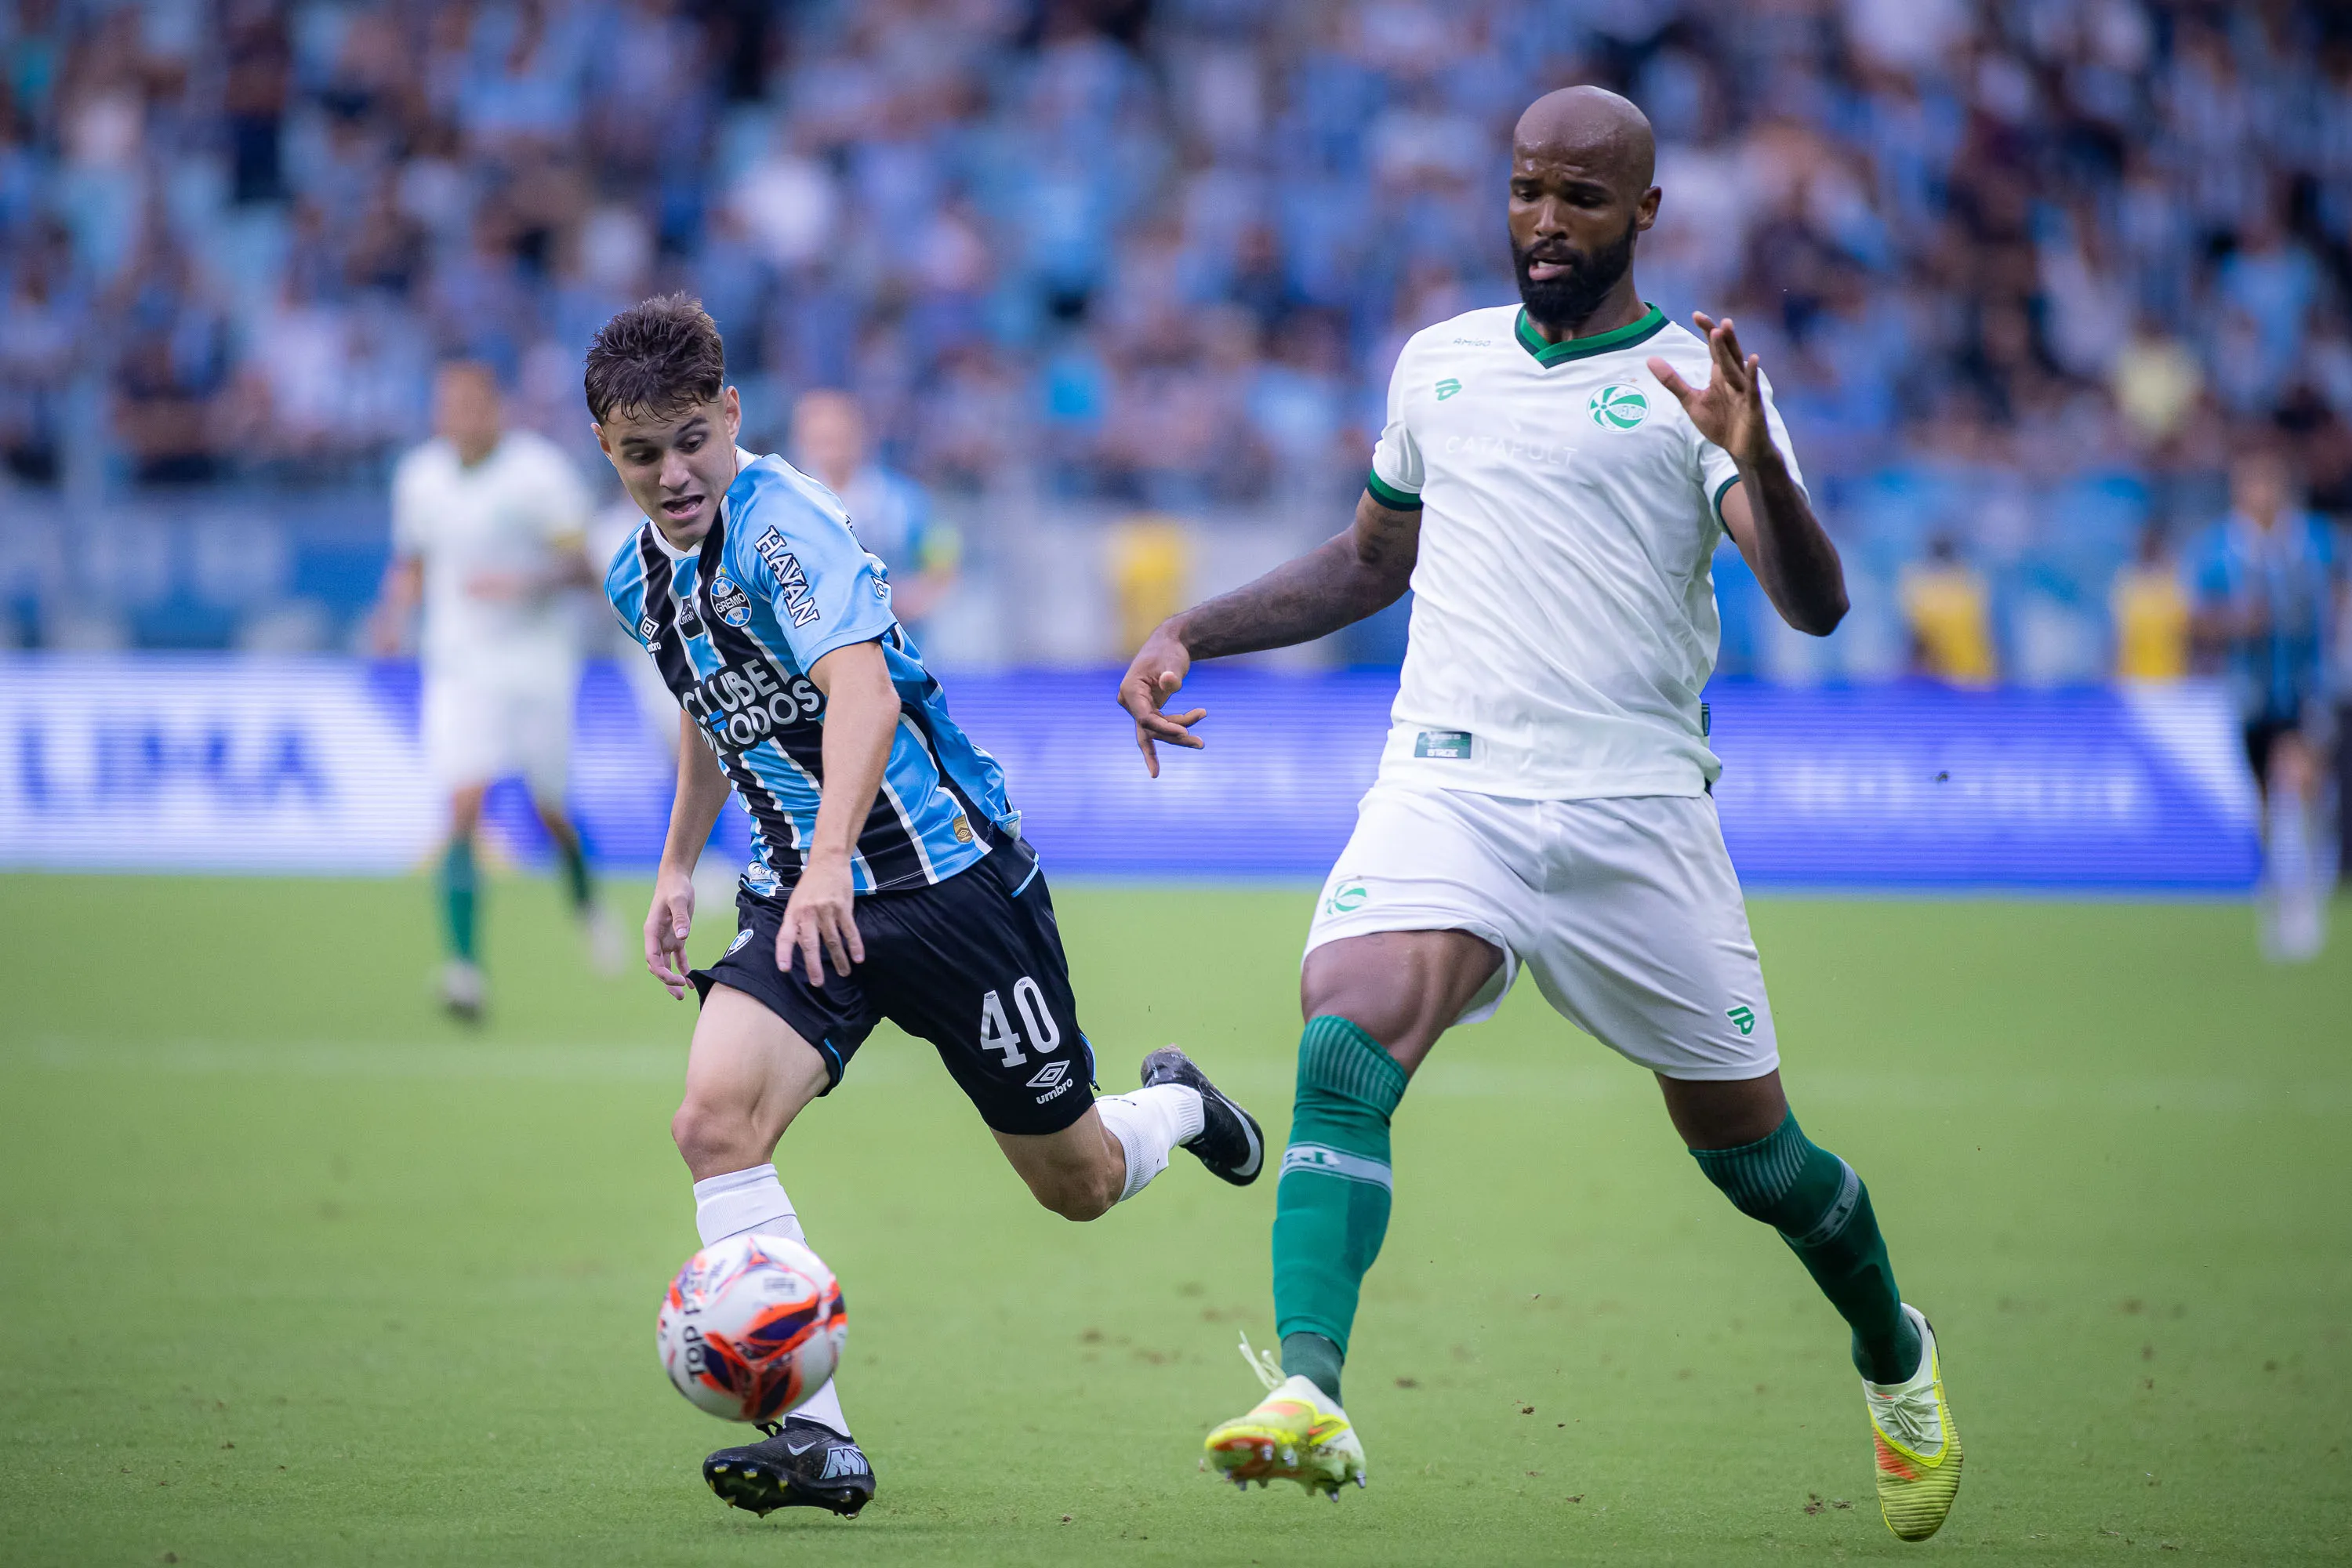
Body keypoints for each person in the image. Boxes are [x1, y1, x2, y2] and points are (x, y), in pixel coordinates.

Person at [1117, 88, 1962, 1544]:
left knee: (1760, 1164)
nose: (1545, 224)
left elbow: (1815, 607)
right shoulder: (1440, 367)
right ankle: (1308, 1394)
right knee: (1346, 1028)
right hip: (1453, 783)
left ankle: (1895, 1352)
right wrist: (1193, 629)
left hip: (1636, 814)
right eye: (1525, 191)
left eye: (1580, 198)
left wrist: (1754, 455)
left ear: (1645, 214)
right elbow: (1370, 563)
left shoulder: (1703, 389)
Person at [589, 296, 1263, 1519]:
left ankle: (1178, 1104)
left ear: (731, 414)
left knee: (1079, 1181)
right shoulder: (635, 577)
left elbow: (864, 695)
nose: (674, 473)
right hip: (803, 889)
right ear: (608, 452)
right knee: (712, 1123)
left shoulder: (783, 525)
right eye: (643, 454)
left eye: (692, 439)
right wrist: (679, 863)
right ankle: (818, 1440)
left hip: (945, 880)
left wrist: (839, 850)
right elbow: (708, 703)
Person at [369, 360, 619, 1018]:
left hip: (536, 663)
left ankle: (588, 906)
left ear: (496, 408)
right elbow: (413, 562)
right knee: (462, 803)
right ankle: (463, 970)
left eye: (472, 406)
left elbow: (586, 567)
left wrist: (526, 582)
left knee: (550, 809)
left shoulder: (538, 474)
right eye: (448, 407)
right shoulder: (420, 478)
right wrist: (392, 617)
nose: (460, 419)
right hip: (459, 665)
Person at [2186, 444, 2339, 960]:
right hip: (2248, 694)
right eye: (2251, 484)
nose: (2260, 495)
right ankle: (2280, 890)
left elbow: (2337, 600)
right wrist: (2235, 621)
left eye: (2268, 484)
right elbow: (2196, 619)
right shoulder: (2217, 549)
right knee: (2265, 802)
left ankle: (2307, 891)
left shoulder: (2316, 543)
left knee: (2300, 779)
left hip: (2306, 686)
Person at [790, 389, 960, 638]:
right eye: (821, 440)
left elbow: (944, 561)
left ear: (859, 436)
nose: (830, 450)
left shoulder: (906, 500)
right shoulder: (789, 505)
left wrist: (912, 597)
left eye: (837, 438)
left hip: (900, 643)